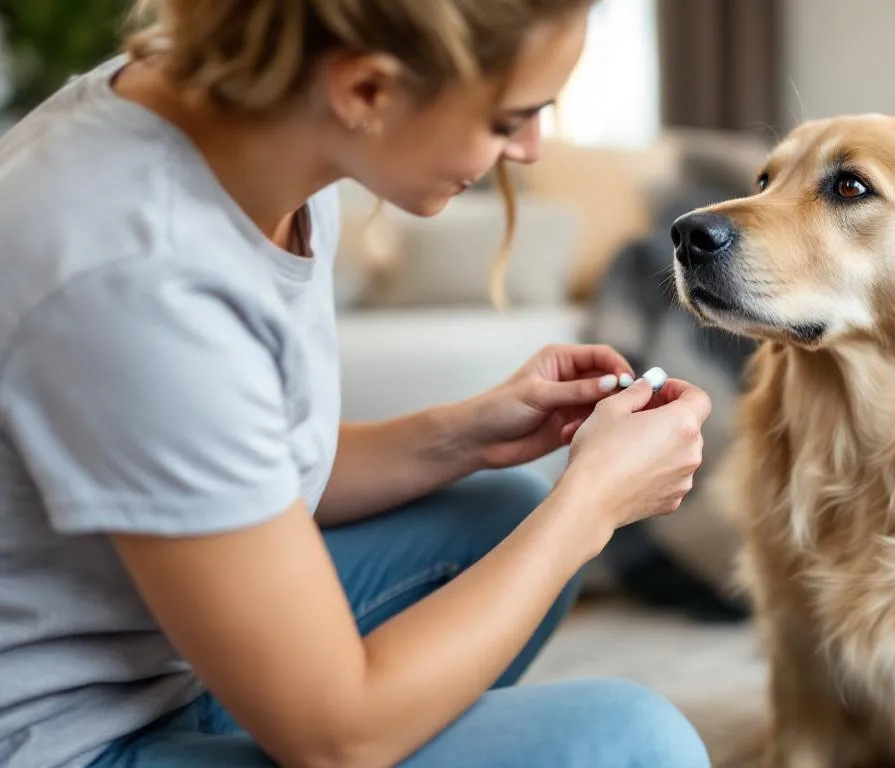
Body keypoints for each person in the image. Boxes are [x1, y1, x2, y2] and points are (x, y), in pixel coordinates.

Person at [0, 1, 714, 766]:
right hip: (72, 739)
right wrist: (594, 506)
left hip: (173, 658)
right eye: (511, 120)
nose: (532, 151)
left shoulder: (274, 143)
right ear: (367, 90)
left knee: (499, 516)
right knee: (631, 743)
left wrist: (465, 432)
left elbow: (250, 472)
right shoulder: (138, 279)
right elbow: (338, 736)